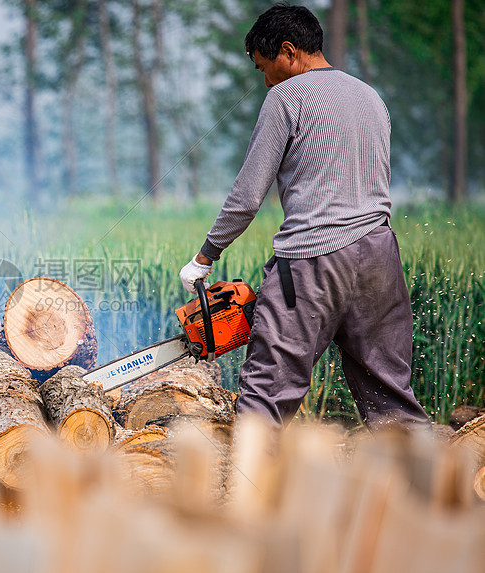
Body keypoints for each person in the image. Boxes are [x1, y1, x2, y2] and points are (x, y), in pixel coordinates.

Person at [179, 3, 430, 430]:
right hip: (380, 256)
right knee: (391, 401)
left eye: (265, 67)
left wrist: (206, 256)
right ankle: (431, 492)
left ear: (289, 51)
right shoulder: (371, 97)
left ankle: (246, 496)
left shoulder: (286, 97)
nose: (265, 80)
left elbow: (246, 196)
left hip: (313, 260)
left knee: (266, 396)